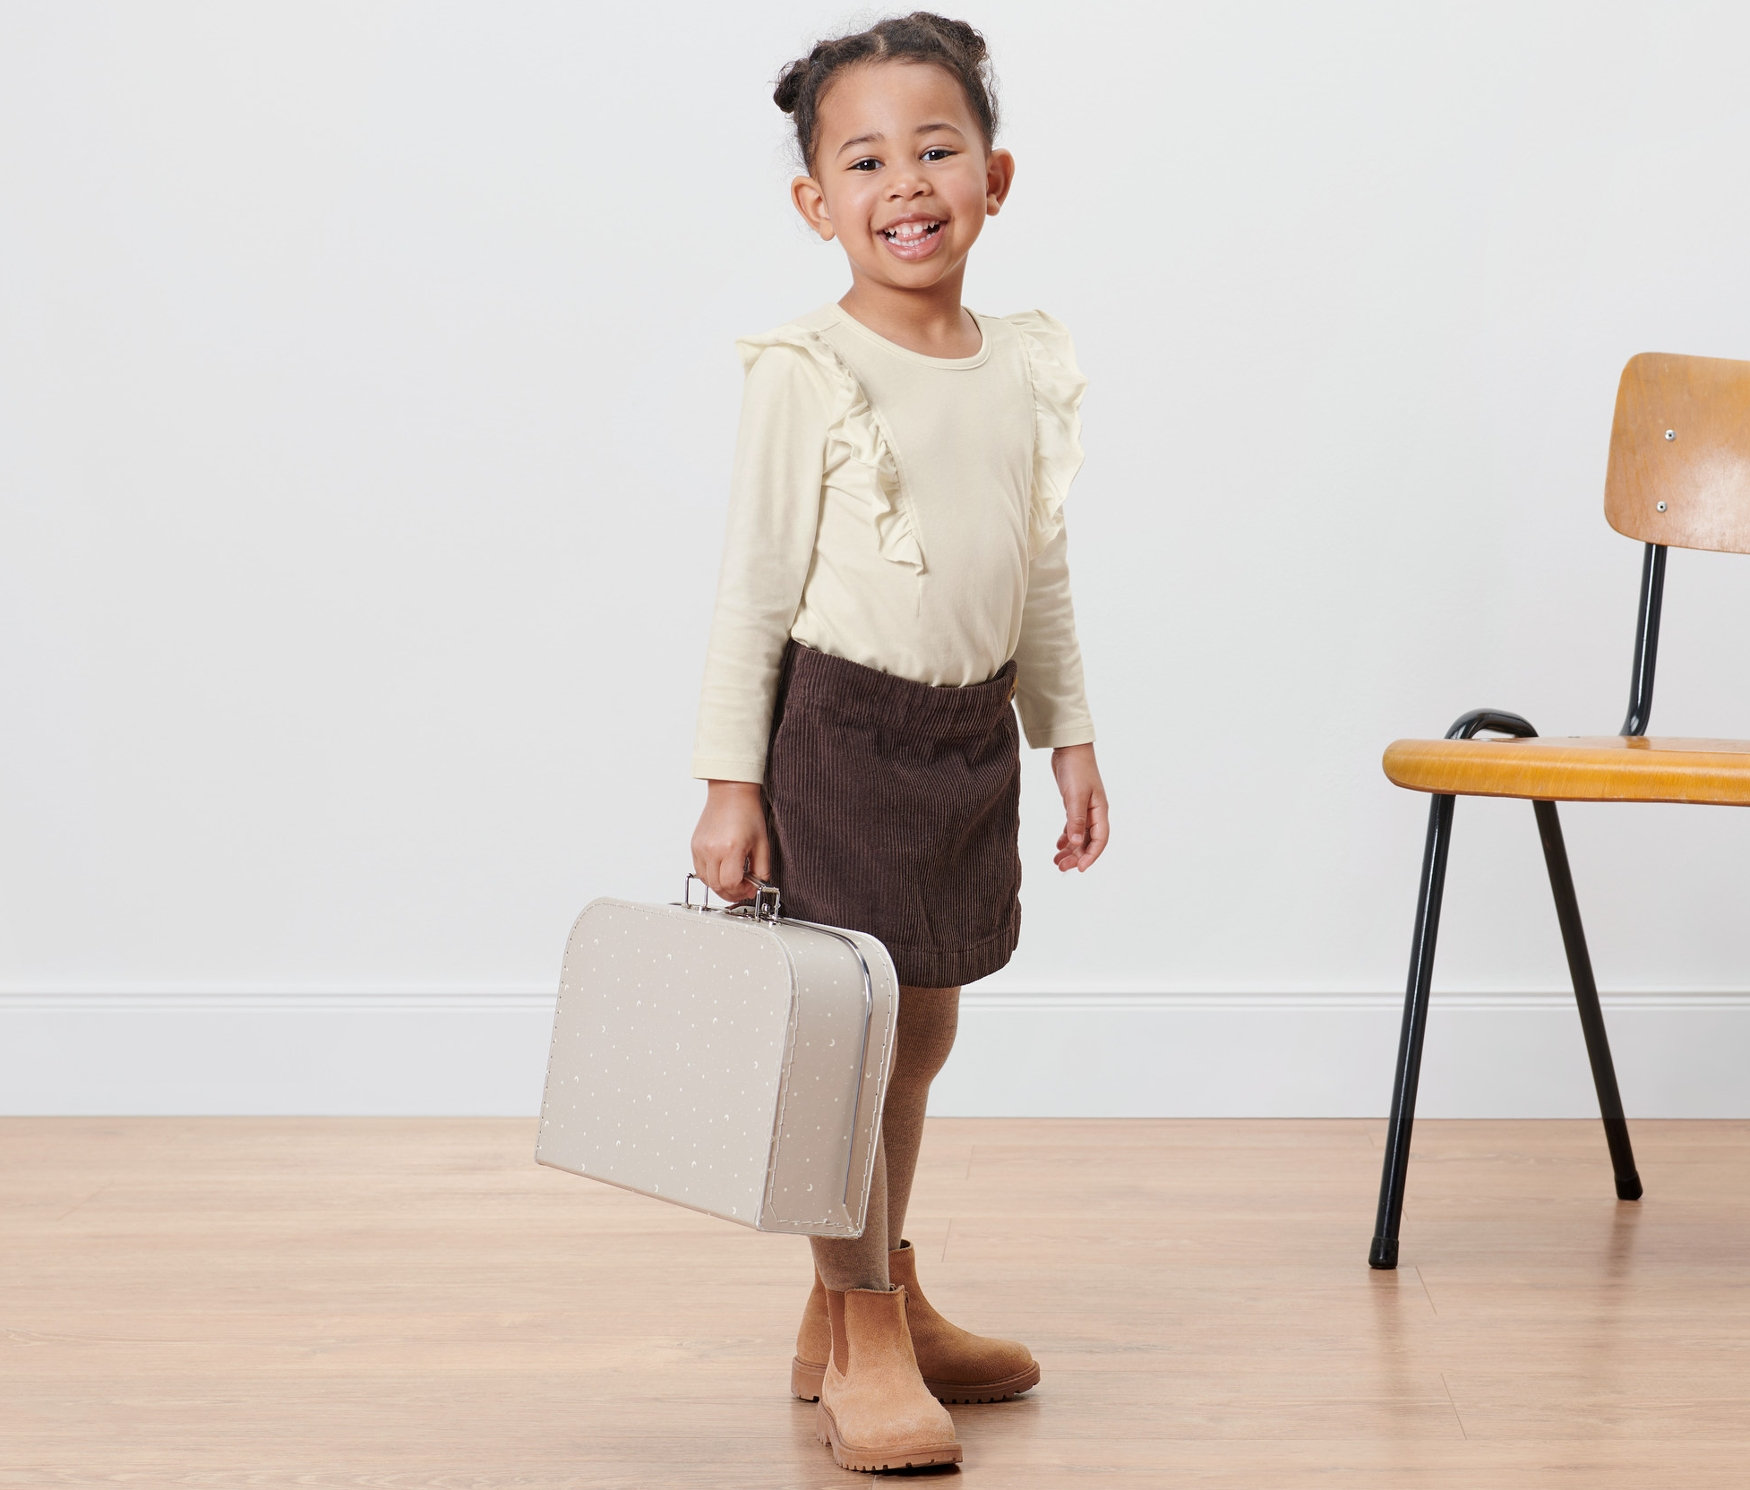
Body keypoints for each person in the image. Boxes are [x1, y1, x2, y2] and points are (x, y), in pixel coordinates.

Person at [688, 12, 1109, 1473]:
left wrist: (1067, 734)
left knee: (923, 1025)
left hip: (964, 734)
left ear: (994, 174)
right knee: (849, 1041)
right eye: (863, 157)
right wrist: (728, 779)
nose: (905, 179)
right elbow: (749, 586)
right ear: (816, 204)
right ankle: (861, 1319)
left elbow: (1033, 564)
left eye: (935, 146)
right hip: (840, 731)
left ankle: (863, 1295)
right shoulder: (804, 367)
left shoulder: (1015, 363)